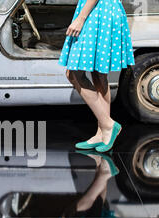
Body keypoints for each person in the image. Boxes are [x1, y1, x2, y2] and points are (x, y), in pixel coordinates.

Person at [58, 0, 135, 153]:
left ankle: (108, 125)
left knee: (74, 73)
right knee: (98, 74)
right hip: (101, 11)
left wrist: (81, 18)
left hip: (99, 12)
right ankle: (102, 133)